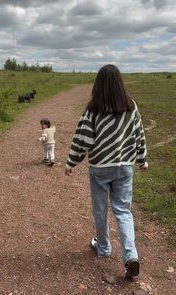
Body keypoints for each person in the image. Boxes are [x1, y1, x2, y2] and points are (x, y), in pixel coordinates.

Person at [65, 64, 148, 279]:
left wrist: (71, 163)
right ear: (120, 82)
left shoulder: (93, 108)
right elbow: (139, 134)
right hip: (124, 167)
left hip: (100, 168)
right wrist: (142, 159)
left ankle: (103, 247)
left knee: (100, 209)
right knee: (123, 211)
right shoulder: (131, 106)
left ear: (98, 84)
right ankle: (131, 256)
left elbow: (82, 139)